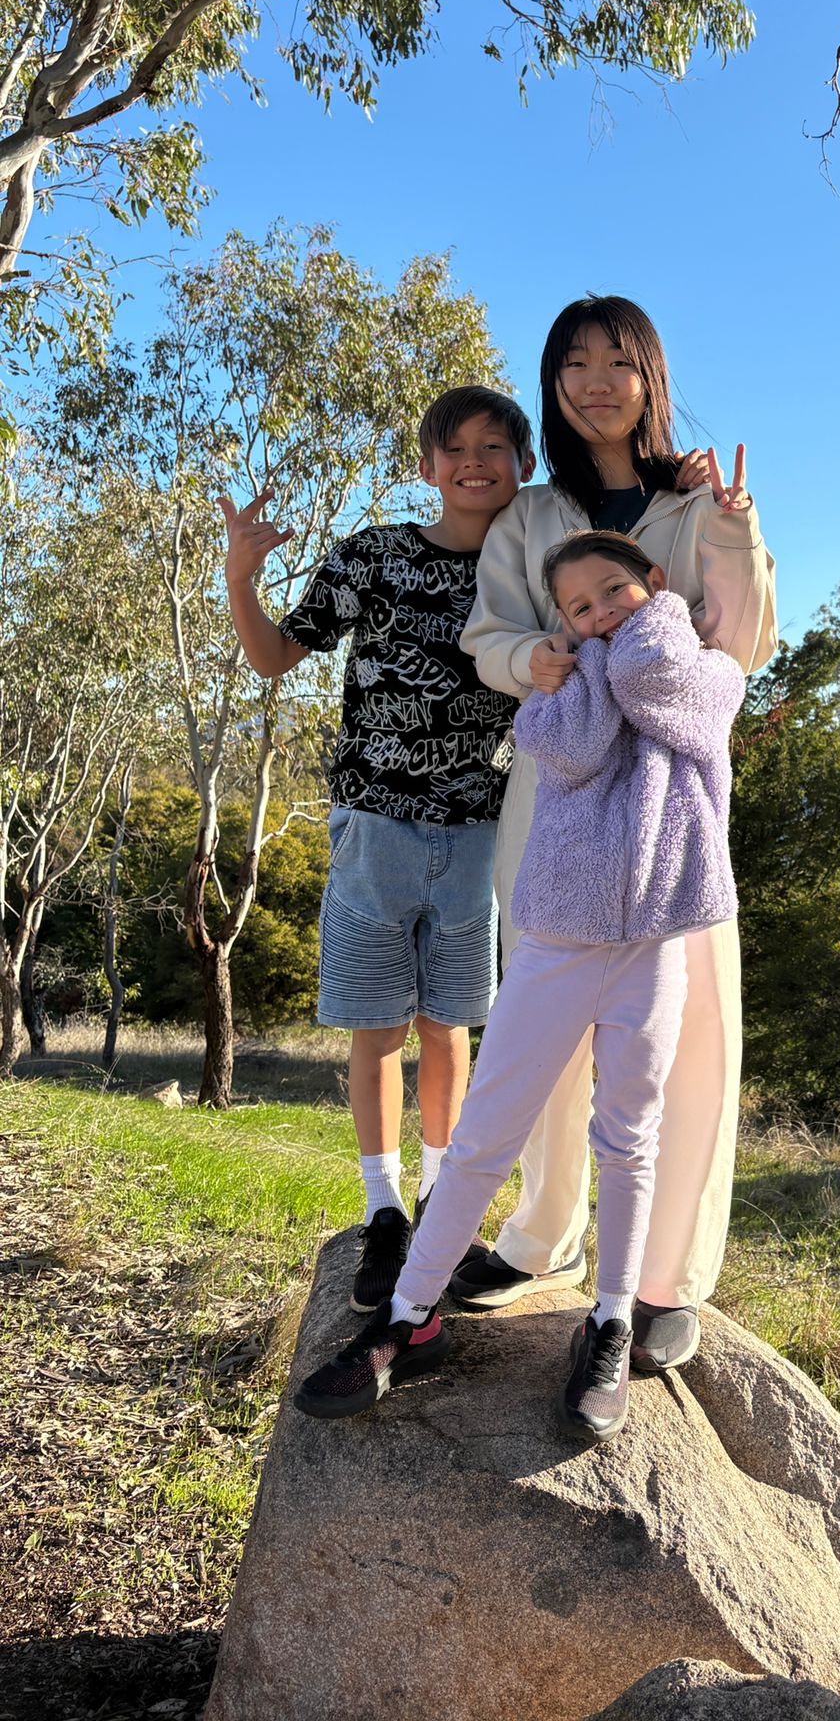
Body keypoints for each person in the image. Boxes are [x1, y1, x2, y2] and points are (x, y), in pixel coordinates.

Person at [295, 534, 745, 1440]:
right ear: (561, 623)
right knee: (486, 1134)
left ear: (655, 584)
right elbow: (568, 747)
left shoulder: (710, 670)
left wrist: (633, 639)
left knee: (630, 1138)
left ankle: (609, 1321)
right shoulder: (564, 692)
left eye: (615, 591)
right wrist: (589, 661)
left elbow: (672, 694)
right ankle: (409, 1317)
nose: (600, 613)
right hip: (558, 942)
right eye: (579, 608)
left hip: (655, 943)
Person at [450, 297, 776, 1376]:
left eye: (618, 361)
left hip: (675, 808)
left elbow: (745, 644)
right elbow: (489, 632)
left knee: (692, 1035)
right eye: (574, 363)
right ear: (553, 384)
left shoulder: (698, 504)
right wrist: (528, 660)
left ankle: (666, 1278)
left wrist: (732, 527)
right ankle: (541, 1234)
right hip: (557, 794)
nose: (597, 381)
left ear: (650, 377)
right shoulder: (529, 515)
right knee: (542, 1022)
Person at [219, 386, 536, 1313]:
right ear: (427, 466)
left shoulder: (531, 566)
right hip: (376, 828)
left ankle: (443, 1201)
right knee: (378, 1030)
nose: (473, 461)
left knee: (450, 1026)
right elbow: (276, 656)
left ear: (523, 464)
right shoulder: (375, 554)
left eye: (494, 446)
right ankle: (384, 1210)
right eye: (454, 447)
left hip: (480, 833)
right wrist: (240, 577)